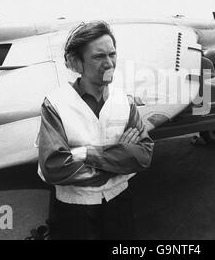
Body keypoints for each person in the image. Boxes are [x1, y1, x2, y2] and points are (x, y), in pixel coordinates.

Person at [37, 21, 154, 240]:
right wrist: (120, 159)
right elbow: (54, 167)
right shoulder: (55, 104)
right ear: (76, 63)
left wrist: (84, 154)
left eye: (112, 54)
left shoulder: (125, 102)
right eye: (99, 56)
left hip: (119, 207)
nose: (109, 63)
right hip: (73, 213)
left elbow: (145, 155)